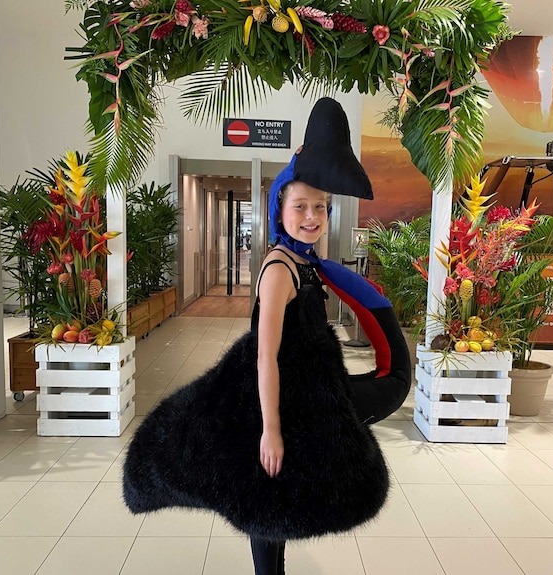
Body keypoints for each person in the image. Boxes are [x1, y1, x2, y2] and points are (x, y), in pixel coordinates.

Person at [122, 98, 411, 575]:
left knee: (272, 495)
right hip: (287, 400)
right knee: (264, 490)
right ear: (281, 207)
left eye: (321, 207)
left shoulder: (306, 263)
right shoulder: (281, 269)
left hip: (311, 393)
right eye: (301, 206)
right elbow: (265, 356)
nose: (312, 216)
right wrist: (271, 430)